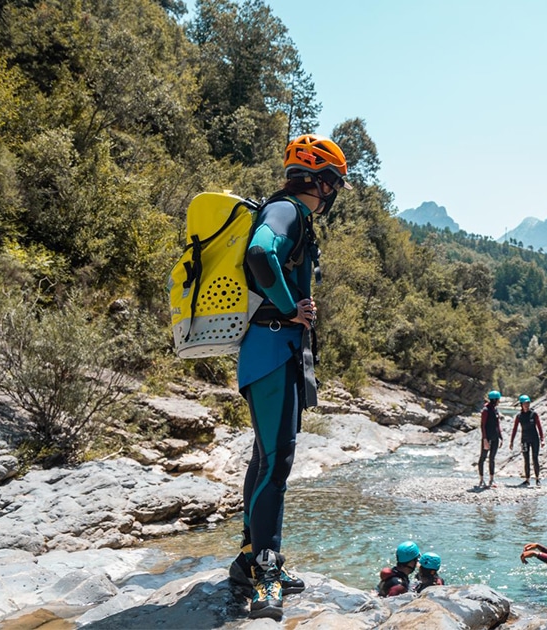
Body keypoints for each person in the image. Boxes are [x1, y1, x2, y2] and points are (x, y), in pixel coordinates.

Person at [230, 134, 351, 620]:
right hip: (272, 351)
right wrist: (290, 307)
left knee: (265, 459)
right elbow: (261, 256)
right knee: (276, 462)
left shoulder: (285, 211)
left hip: (271, 352)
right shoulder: (288, 212)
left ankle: (249, 558)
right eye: (334, 183)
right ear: (318, 179)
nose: (334, 193)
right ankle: (265, 573)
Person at [510, 394, 544, 486]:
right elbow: (515, 429)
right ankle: (527, 480)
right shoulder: (519, 416)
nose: (527, 405)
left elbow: (539, 427)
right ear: (521, 404)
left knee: (535, 458)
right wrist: (511, 441)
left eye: (528, 403)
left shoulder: (534, 414)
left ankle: (537, 479)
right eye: (525, 403)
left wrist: (542, 439)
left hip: (534, 439)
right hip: (524, 439)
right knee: (526, 459)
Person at [478, 390, 503, 488]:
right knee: (483, 458)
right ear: (495, 399)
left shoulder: (495, 409)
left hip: (495, 437)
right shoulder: (486, 410)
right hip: (487, 437)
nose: (499, 401)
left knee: (492, 458)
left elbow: (497, 424)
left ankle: (491, 479)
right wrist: (484, 439)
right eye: (498, 399)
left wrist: (500, 437)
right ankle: (481, 479)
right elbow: (483, 425)